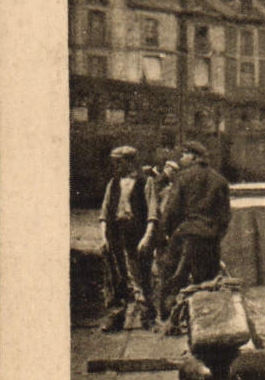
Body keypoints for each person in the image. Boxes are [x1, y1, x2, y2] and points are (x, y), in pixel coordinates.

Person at [161, 140, 232, 332]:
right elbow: (225, 217)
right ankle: (206, 327)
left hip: (185, 236)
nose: (181, 158)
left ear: (194, 156)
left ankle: (172, 322)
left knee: (174, 279)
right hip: (210, 240)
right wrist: (215, 236)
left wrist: (167, 234)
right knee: (207, 284)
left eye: (184, 154)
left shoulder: (182, 178)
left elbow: (171, 210)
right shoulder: (220, 180)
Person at [98, 145, 153, 331]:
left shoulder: (146, 183)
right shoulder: (112, 183)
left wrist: (147, 236)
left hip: (136, 234)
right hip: (115, 234)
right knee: (114, 275)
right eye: (114, 162)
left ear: (130, 162)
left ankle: (147, 315)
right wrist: (104, 235)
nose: (115, 166)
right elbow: (104, 212)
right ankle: (116, 316)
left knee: (138, 274)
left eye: (119, 162)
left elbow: (153, 214)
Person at [140, 155, 180, 328]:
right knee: (165, 272)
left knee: (164, 272)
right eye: (171, 170)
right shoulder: (160, 185)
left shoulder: (163, 184)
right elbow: (157, 211)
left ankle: (164, 311)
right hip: (162, 234)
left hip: (164, 234)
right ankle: (164, 312)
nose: (173, 173)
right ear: (167, 169)